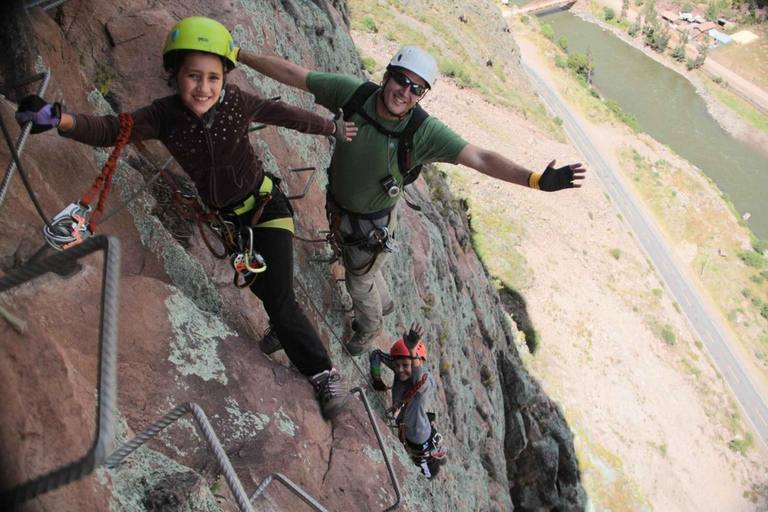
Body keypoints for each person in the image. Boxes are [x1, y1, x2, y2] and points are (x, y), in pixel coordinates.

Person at [14, 16, 358, 420]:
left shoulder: (236, 103)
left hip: (267, 210)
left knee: (279, 297)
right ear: (174, 74)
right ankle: (283, 330)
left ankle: (324, 375)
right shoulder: (164, 116)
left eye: (214, 77)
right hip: (231, 226)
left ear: (225, 78)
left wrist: (330, 127)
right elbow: (112, 130)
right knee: (267, 290)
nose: (204, 87)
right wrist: (61, 121)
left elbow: (282, 114)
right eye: (193, 75)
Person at [234, 45, 586, 356]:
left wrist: (535, 181)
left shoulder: (423, 132)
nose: (405, 91)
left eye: (416, 88)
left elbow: (479, 157)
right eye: (401, 80)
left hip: (369, 223)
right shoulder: (353, 95)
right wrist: (237, 55)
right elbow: (296, 75)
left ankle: (369, 326)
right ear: (387, 75)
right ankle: (383, 302)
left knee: (358, 281)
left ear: (422, 95)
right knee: (365, 271)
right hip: (343, 209)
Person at [370, 323, 447, 480]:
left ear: (417, 362)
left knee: (426, 469)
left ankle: (431, 469)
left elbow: (420, 379)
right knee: (426, 445)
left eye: (405, 365)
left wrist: (412, 351)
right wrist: (376, 378)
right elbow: (376, 354)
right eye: (396, 365)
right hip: (419, 426)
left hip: (418, 436)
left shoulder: (425, 382)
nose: (400, 370)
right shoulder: (400, 367)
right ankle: (437, 453)